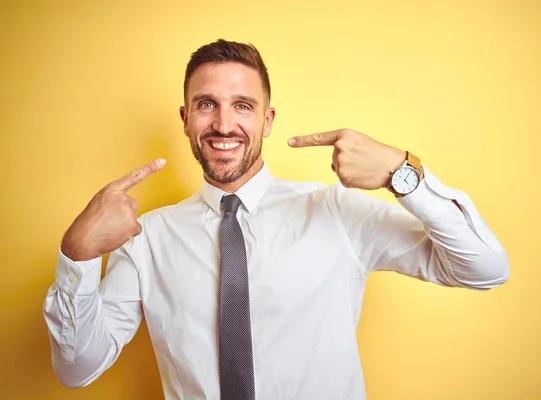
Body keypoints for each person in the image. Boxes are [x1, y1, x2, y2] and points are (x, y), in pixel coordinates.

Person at [43, 39, 510, 400]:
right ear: (186, 119)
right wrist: (78, 254)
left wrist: (401, 173)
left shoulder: (336, 212)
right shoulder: (147, 238)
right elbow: (77, 370)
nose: (224, 124)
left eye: (242, 106)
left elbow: (485, 269)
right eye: (207, 104)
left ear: (267, 120)